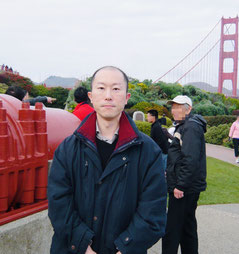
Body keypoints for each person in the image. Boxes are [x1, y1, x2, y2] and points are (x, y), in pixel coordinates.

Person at [48, 66, 167, 254]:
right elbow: (59, 203)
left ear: (127, 98)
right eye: (101, 88)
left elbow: (153, 213)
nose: (108, 96)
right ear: (91, 96)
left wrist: (124, 248)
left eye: (116, 89)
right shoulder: (68, 148)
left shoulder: (149, 152)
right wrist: (84, 247)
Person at [162, 95, 207, 254]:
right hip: (188, 187)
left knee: (172, 229)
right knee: (187, 227)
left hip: (184, 189)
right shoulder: (185, 126)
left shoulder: (190, 127)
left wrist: (180, 185)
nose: (174, 110)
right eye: (173, 107)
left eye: (178, 106)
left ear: (188, 109)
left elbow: (190, 159)